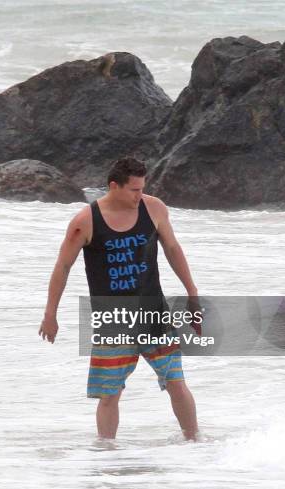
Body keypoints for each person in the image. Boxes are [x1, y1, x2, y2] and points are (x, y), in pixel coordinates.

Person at [39, 156, 199, 441]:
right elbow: (63, 267)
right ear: (114, 186)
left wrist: (192, 292)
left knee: (176, 382)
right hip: (113, 321)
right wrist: (50, 314)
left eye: (142, 188)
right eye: (134, 190)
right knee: (110, 394)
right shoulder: (86, 221)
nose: (140, 195)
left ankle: (195, 440)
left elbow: (173, 249)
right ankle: (107, 455)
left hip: (154, 314)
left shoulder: (155, 209)